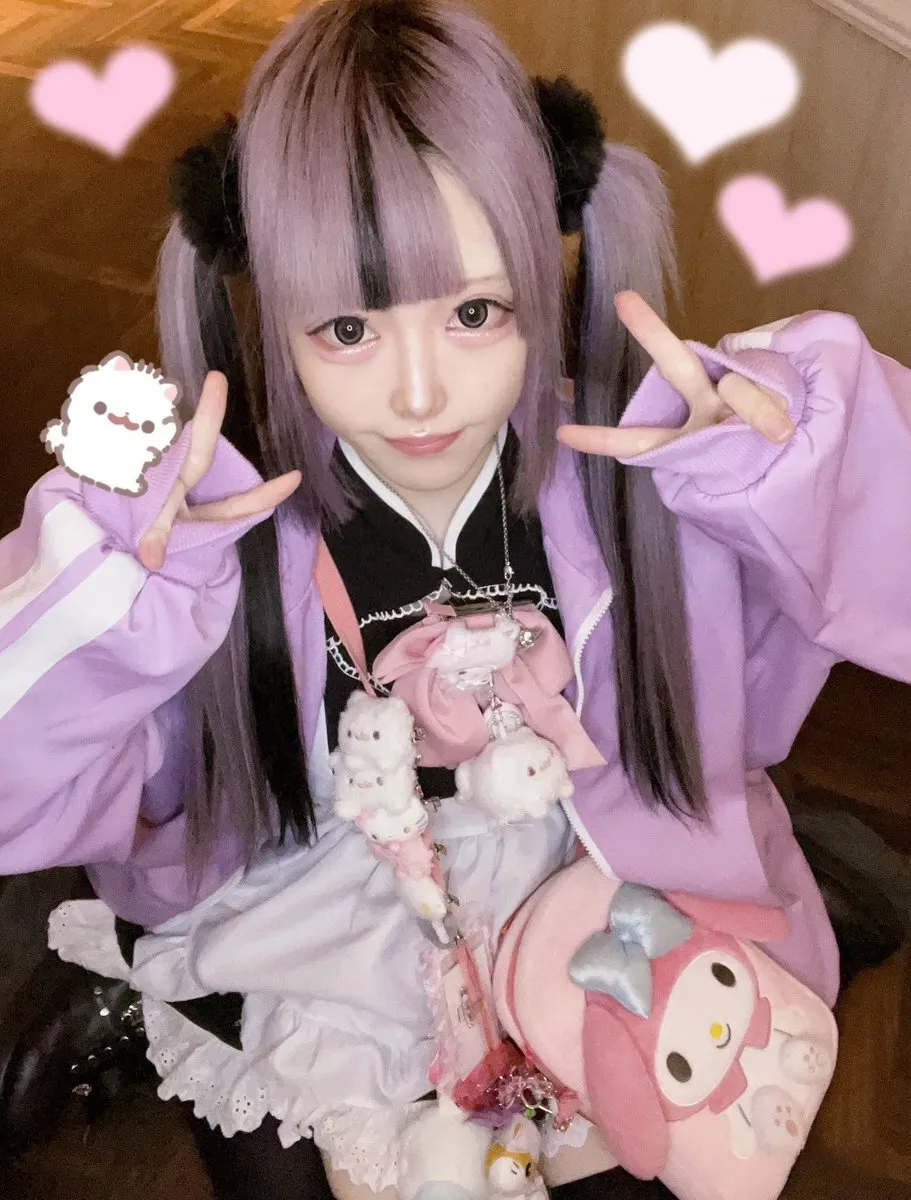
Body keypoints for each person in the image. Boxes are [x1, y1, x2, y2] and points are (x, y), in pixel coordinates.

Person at [1, 1, 910, 1197]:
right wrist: (114, 611)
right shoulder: (210, 545)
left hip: (585, 873)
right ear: (269, 307)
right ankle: (124, 991)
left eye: (475, 311)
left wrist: (795, 474)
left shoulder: (651, 482)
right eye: (347, 328)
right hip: (307, 909)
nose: (421, 393)